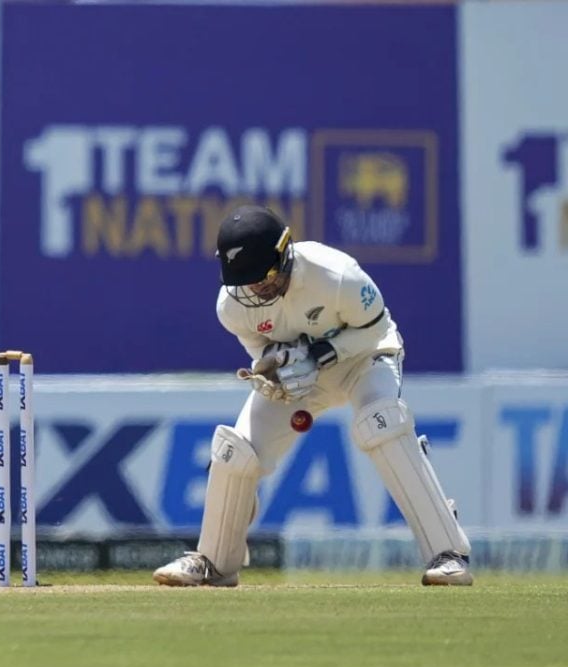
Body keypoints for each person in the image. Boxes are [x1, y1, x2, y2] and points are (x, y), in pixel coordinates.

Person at [153, 205, 473, 588]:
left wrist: (321, 355)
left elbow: (376, 329)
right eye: (250, 283)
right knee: (236, 450)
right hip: (302, 376)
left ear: (285, 250)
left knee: (380, 424)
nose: (259, 290)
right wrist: (278, 365)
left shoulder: (337, 274)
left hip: (364, 359)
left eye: (266, 278)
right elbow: (262, 353)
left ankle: (448, 553)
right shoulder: (233, 306)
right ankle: (215, 563)